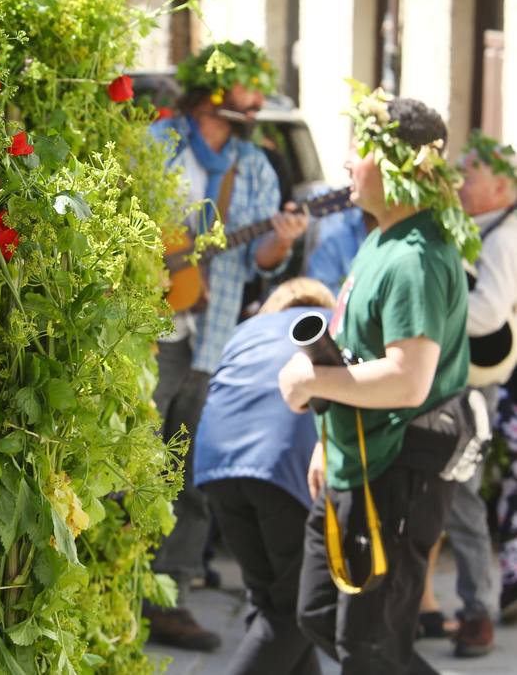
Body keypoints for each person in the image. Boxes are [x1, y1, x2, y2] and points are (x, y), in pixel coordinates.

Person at [279, 87, 477, 674]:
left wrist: (310, 381)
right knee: (319, 615)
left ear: (398, 166)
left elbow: (407, 380)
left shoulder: (415, 255)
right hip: (355, 459)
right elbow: (359, 348)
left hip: (397, 470)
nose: (345, 161)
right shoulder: (383, 237)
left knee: (369, 649)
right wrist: (327, 436)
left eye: (360, 148)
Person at [147, 40, 309, 651]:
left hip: (214, 342)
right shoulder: (156, 145)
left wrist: (281, 240)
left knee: (189, 473)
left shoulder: (259, 166)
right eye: (249, 90)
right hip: (151, 329)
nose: (257, 102)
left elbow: (267, 259)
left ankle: (170, 597)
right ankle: (110, 583)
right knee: (128, 461)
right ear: (215, 93)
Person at [196, 277, 335, 675]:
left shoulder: (246, 331)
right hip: (281, 469)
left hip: (216, 465)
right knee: (296, 611)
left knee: (272, 603)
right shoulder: (326, 326)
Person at [423, 129, 517, 655]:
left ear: (502, 187)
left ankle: (479, 610)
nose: (461, 181)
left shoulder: (505, 237)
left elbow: (486, 314)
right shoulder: (482, 226)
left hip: (471, 389)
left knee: (461, 496)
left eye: (472, 173)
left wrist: (426, 320)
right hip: (452, 381)